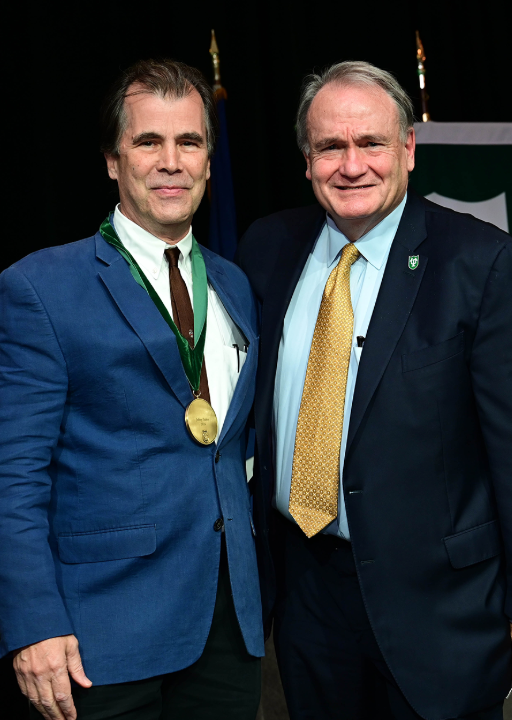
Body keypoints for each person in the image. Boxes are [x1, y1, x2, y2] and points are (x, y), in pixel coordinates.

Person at [236, 61, 512, 720]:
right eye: (330, 147)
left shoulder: (481, 263)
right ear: (307, 159)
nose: (352, 165)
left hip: (440, 605)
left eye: (371, 143)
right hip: (306, 594)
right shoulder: (266, 248)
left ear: (406, 149)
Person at [0, 58, 263, 720]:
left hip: (228, 628)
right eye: (149, 142)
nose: (170, 162)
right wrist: (31, 623)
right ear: (114, 160)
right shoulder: (40, 287)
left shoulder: (235, 286)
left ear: (208, 160)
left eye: (189, 142)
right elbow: (12, 474)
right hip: (99, 637)